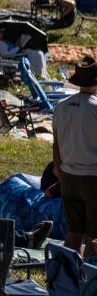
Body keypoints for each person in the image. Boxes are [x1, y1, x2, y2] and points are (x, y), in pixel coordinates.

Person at [53, 57, 97, 255]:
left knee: (74, 232)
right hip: (92, 177)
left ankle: (67, 275)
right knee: (94, 238)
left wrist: (60, 169)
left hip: (69, 176)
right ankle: (88, 279)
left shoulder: (61, 106)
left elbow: (56, 143)